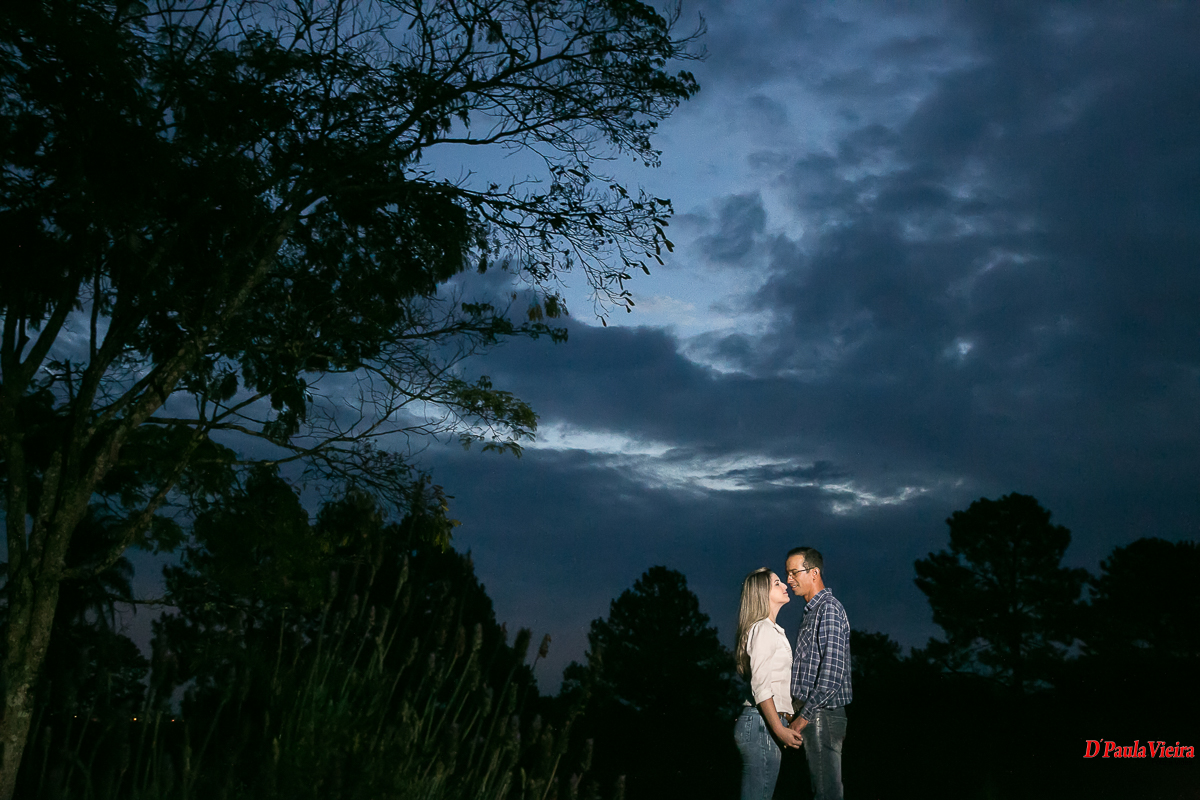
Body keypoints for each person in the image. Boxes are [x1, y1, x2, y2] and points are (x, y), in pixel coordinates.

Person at [786, 547, 852, 800]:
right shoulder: (813, 612)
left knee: (827, 792)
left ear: (814, 573)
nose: (789, 579)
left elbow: (831, 676)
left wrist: (803, 718)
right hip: (812, 714)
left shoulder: (829, 609)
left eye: (794, 572)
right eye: (787, 574)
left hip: (821, 715)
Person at [734, 568, 805, 800]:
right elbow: (761, 686)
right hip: (762, 724)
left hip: (763, 723)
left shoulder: (771, 629)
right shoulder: (763, 629)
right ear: (762, 593)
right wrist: (779, 729)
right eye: (777, 583)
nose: (785, 585)